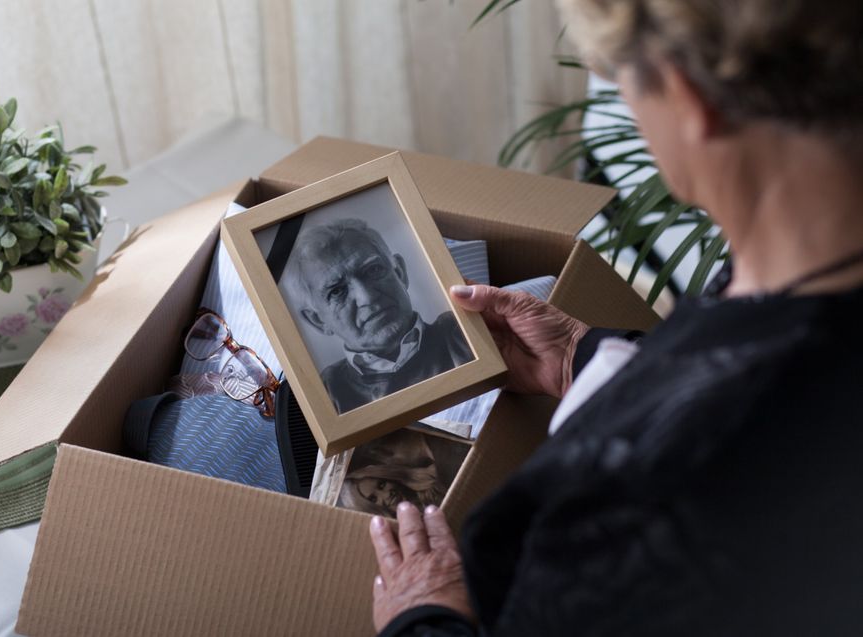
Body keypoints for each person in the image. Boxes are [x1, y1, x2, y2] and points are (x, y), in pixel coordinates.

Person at [368, 1, 863, 635]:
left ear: (687, 100)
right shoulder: (802, 275)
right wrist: (593, 358)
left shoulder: (640, 496)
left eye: (618, 78)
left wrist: (422, 615)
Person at [293, 218, 473, 412]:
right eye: (337, 291)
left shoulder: (464, 333)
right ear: (318, 321)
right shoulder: (325, 394)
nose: (367, 298)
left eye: (373, 270)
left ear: (400, 273)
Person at [338, 428, 449, 517]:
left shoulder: (434, 479)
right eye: (373, 499)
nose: (386, 495)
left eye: (382, 485)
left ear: (389, 477)